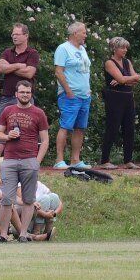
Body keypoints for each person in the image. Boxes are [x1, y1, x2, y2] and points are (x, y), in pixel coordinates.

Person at [0, 79, 50, 241]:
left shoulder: (39, 113)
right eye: (22, 92)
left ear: (31, 94)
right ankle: (3, 234)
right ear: (16, 94)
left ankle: (23, 234)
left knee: (28, 199)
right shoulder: (8, 110)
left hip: (29, 160)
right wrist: (7, 136)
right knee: (6, 199)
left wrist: (37, 161)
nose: (25, 95)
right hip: (10, 160)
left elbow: (45, 140)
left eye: (28, 92)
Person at [0, 22, 39, 166]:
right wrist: (18, 65)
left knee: (28, 128)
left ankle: (27, 161)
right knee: (1, 128)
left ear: (26, 36)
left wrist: (9, 67)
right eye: (13, 34)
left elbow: (29, 73)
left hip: (26, 98)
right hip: (7, 97)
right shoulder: (7, 52)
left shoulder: (32, 53)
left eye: (17, 34)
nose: (14, 36)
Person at [52, 21, 92, 170]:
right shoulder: (63, 48)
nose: (85, 35)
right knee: (66, 126)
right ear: (75, 33)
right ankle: (59, 160)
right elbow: (59, 72)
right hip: (70, 95)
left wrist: (88, 89)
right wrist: (68, 91)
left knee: (80, 128)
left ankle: (75, 160)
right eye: (84, 32)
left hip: (84, 95)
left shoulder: (82, 49)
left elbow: (85, 71)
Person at [99, 36, 140, 170]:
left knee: (129, 128)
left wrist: (124, 79)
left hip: (128, 97)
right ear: (114, 49)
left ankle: (128, 160)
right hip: (114, 98)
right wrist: (125, 79)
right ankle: (105, 160)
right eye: (122, 48)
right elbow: (124, 79)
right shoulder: (109, 63)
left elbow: (136, 79)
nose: (125, 50)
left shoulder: (127, 62)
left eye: (126, 48)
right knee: (112, 128)